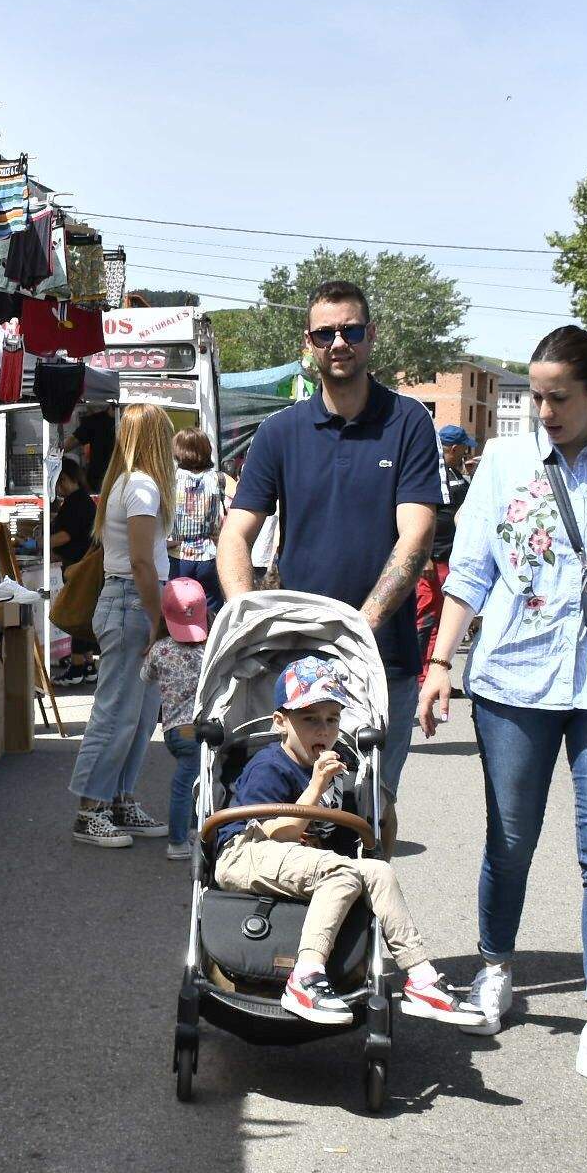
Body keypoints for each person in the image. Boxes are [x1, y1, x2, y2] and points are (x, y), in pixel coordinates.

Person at [421, 325, 587, 1088]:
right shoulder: (503, 463)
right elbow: (469, 572)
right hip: (513, 679)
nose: (544, 411)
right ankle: (495, 967)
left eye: (558, 397)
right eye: (535, 396)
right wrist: (439, 664)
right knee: (511, 840)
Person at [219, 280, 445, 797]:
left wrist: (356, 630)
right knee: (289, 804)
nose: (338, 342)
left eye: (351, 331)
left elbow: (416, 535)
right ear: (309, 342)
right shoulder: (279, 431)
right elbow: (236, 533)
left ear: (371, 335)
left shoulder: (408, 421)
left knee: (372, 807)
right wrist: (246, 618)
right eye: (325, 333)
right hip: (295, 659)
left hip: (381, 656)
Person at [215, 656, 481, 1027]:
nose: (323, 730)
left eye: (332, 719)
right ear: (280, 722)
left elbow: (369, 831)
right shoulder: (270, 766)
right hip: (245, 852)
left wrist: (372, 850)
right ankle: (306, 977)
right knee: (340, 871)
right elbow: (276, 833)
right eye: (310, 719)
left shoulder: (337, 765)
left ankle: (420, 978)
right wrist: (316, 786)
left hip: (302, 862)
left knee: (377, 871)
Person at [69, 404, 177, 847]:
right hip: (134, 602)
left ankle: (117, 799)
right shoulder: (143, 486)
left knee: (138, 713)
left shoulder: (126, 482)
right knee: (118, 712)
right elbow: (141, 562)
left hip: (129, 600)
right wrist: (156, 619)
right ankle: (92, 808)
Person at [148, 577, 211, 861]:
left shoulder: (160, 649)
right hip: (198, 728)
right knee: (190, 783)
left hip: (174, 730)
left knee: (189, 779)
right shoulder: (207, 652)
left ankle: (188, 832)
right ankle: (178, 840)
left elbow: (145, 676)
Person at [48, 455, 100, 680]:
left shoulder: (76, 502)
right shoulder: (81, 500)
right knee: (83, 612)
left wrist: (41, 543)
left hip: (79, 564)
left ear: (70, 479)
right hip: (85, 563)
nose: (58, 487)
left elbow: (65, 535)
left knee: (76, 613)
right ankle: (87, 663)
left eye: (60, 481)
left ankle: (78, 664)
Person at [168, 427, 228, 604]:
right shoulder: (218, 478)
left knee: (179, 608)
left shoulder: (170, 479)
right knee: (211, 607)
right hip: (209, 554)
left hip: (178, 555)